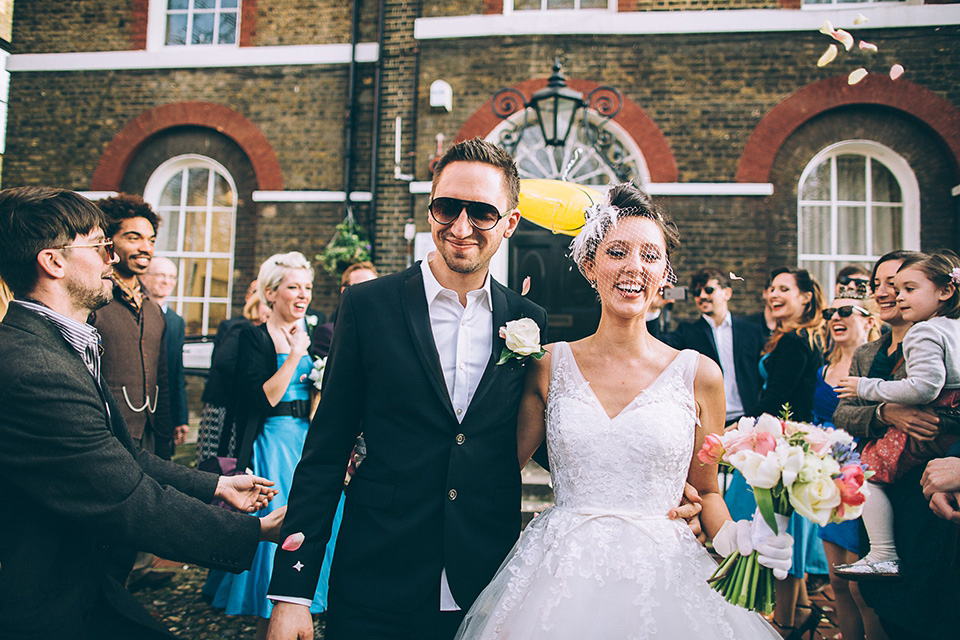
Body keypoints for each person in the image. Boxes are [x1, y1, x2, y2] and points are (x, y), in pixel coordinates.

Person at [455, 184, 790, 639]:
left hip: (666, 575)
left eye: (650, 256)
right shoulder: (547, 364)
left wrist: (740, 542)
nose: (634, 267)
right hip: (559, 575)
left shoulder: (700, 375)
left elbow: (707, 493)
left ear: (665, 274)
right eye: (617, 252)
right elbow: (496, 468)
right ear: (590, 265)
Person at [263, 139, 553, 640]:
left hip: (486, 581)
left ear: (509, 223)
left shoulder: (528, 320)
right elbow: (326, 449)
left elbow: (546, 438)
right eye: (447, 208)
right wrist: (293, 593)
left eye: (483, 213)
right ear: (430, 209)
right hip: (379, 574)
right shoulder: (367, 306)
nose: (461, 228)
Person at [0, 186, 284, 639]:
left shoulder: (61, 343)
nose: (109, 259)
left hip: (85, 581)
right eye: (98, 247)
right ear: (53, 262)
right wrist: (254, 532)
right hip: (41, 595)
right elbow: (127, 497)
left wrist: (216, 484)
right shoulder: (33, 368)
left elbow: (124, 453)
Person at [831, 250, 960, 639]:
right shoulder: (869, 353)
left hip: (930, 486)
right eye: (879, 285)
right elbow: (844, 414)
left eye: (898, 284)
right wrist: (886, 413)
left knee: (927, 601)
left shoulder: (938, 337)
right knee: (878, 596)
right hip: (883, 488)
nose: (887, 293)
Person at [212, 252, 341, 640]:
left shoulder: (317, 331)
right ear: (271, 292)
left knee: (322, 522)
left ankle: (305, 612)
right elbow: (263, 398)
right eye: (293, 287)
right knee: (281, 525)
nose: (302, 295)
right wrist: (297, 354)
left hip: (308, 439)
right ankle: (269, 621)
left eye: (307, 287)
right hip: (273, 441)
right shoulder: (252, 337)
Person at [727, 267, 829, 637]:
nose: (773, 294)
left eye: (784, 288)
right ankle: (799, 609)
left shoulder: (794, 341)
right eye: (771, 288)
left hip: (782, 445)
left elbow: (776, 396)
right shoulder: (792, 337)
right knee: (787, 530)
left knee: (771, 528)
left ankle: (784, 621)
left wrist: (742, 430)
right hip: (789, 439)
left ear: (805, 297)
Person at [811, 292, 886, 640]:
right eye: (830, 312)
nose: (834, 318)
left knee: (863, 588)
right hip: (827, 479)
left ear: (870, 321)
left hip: (863, 478)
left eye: (845, 311)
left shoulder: (876, 368)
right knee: (838, 581)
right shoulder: (822, 368)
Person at [91, 194, 173, 459]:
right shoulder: (92, 301)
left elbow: (162, 379)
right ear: (108, 240)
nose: (145, 248)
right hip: (104, 435)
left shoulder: (153, 309)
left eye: (150, 240)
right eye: (133, 237)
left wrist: (164, 437)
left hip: (148, 439)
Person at [662, 267, 765, 424]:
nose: (702, 296)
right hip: (708, 420)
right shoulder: (687, 332)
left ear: (727, 293)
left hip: (748, 418)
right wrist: (654, 310)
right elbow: (655, 346)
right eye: (697, 293)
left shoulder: (751, 331)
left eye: (708, 290)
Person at [196, 279, 264, 465]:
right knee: (217, 456)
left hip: (239, 404)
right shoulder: (239, 327)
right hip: (224, 403)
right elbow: (224, 363)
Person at [140, 255, 190, 447]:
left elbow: (177, 371)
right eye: (161, 275)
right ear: (144, 277)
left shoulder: (176, 322)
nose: (167, 281)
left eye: (172, 277)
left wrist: (181, 417)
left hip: (164, 409)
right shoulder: (134, 314)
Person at [309, 261, 379, 360]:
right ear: (344, 291)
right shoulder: (328, 334)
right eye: (360, 287)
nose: (368, 293)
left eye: (373, 287)